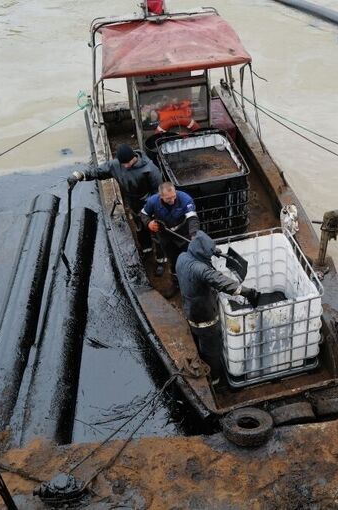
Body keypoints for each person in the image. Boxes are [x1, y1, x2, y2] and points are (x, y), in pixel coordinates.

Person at [176, 231, 259, 383]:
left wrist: (213, 250)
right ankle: (215, 379)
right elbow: (220, 281)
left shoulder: (182, 257)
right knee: (212, 348)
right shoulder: (200, 270)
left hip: (189, 310)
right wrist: (245, 291)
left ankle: (200, 351)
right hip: (204, 316)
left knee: (199, 338)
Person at [67, 144, 164, 274]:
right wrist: (80, 175)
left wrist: (151, 208)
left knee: (156, 232)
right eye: (123, 163)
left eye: (128, 163)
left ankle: (161, 260)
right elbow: (98, 171)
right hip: (133, 203)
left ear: (134, 157)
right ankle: (146, 250)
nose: (125, 166)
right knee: (140, 228)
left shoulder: (150, 169)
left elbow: (158, 191)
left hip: (149, 204)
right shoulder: (116, 165)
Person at [140, 182, 199, 279]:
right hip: (164, 233)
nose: (172, 200)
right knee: (169, 254)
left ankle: (188, 272)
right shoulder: (153, 201)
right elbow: (144, 214)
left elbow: (192, 218)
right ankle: (173, 273)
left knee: (185, 253)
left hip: (182, 233)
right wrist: (148, 223)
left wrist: (194, 235)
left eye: (173, 196)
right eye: (168, 198)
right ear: (161, 196)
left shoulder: (185, 199)